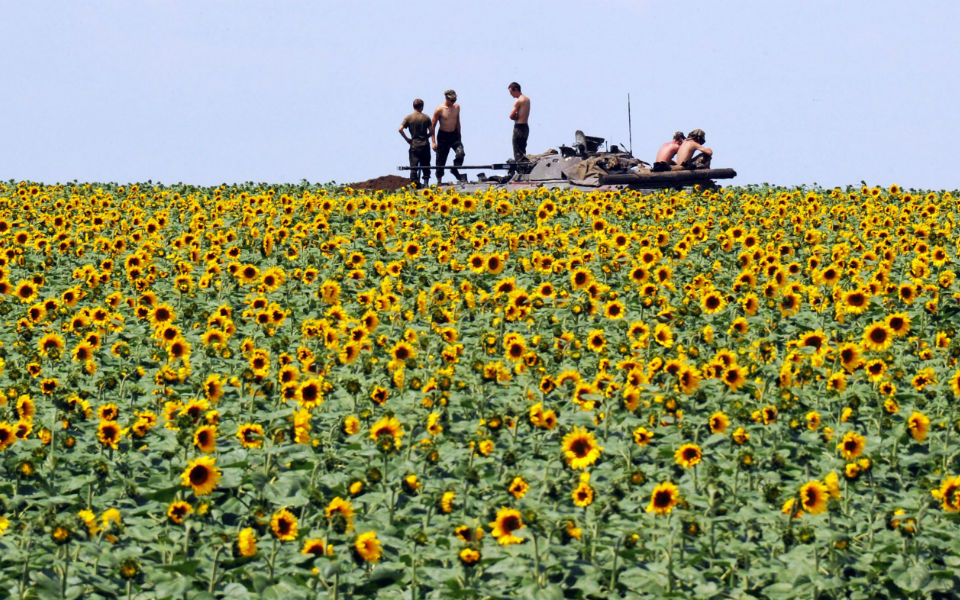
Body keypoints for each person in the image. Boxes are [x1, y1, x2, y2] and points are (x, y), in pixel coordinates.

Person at [431, 89, 466, 184]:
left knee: (461, 153)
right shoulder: (439, 109)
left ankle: (454, 168)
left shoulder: (457, 107)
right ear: (446, 98)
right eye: (452, 100)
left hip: (454, 135)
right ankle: (439, 181)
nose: (453, 102)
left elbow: (458, 121)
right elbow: (432, 126)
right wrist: (433, 142)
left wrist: (459, 135)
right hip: (443, 136)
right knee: (440, 160)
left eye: (455, 100)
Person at [398, 98, 434, 187]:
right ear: (422, 107)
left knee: (413, 166)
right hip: (425, 145)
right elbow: (432, 131)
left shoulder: (408, 118)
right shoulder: (426, 117)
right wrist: (427, 136)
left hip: (414, 145)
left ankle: (414, 184)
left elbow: (400, 129)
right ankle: (426, 183)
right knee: (426, 164)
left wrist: (407, 139)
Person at [508, 82, 531, 165]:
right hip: (525, 127)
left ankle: (520, 169)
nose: (511, 95)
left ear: (516, 90)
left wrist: (515, 117)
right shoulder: (527, 100)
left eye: (511, 92)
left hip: (518, 127)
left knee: (517, 151)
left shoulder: (518, 101)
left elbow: (511, 116)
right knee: (522, 150)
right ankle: (524, 166)